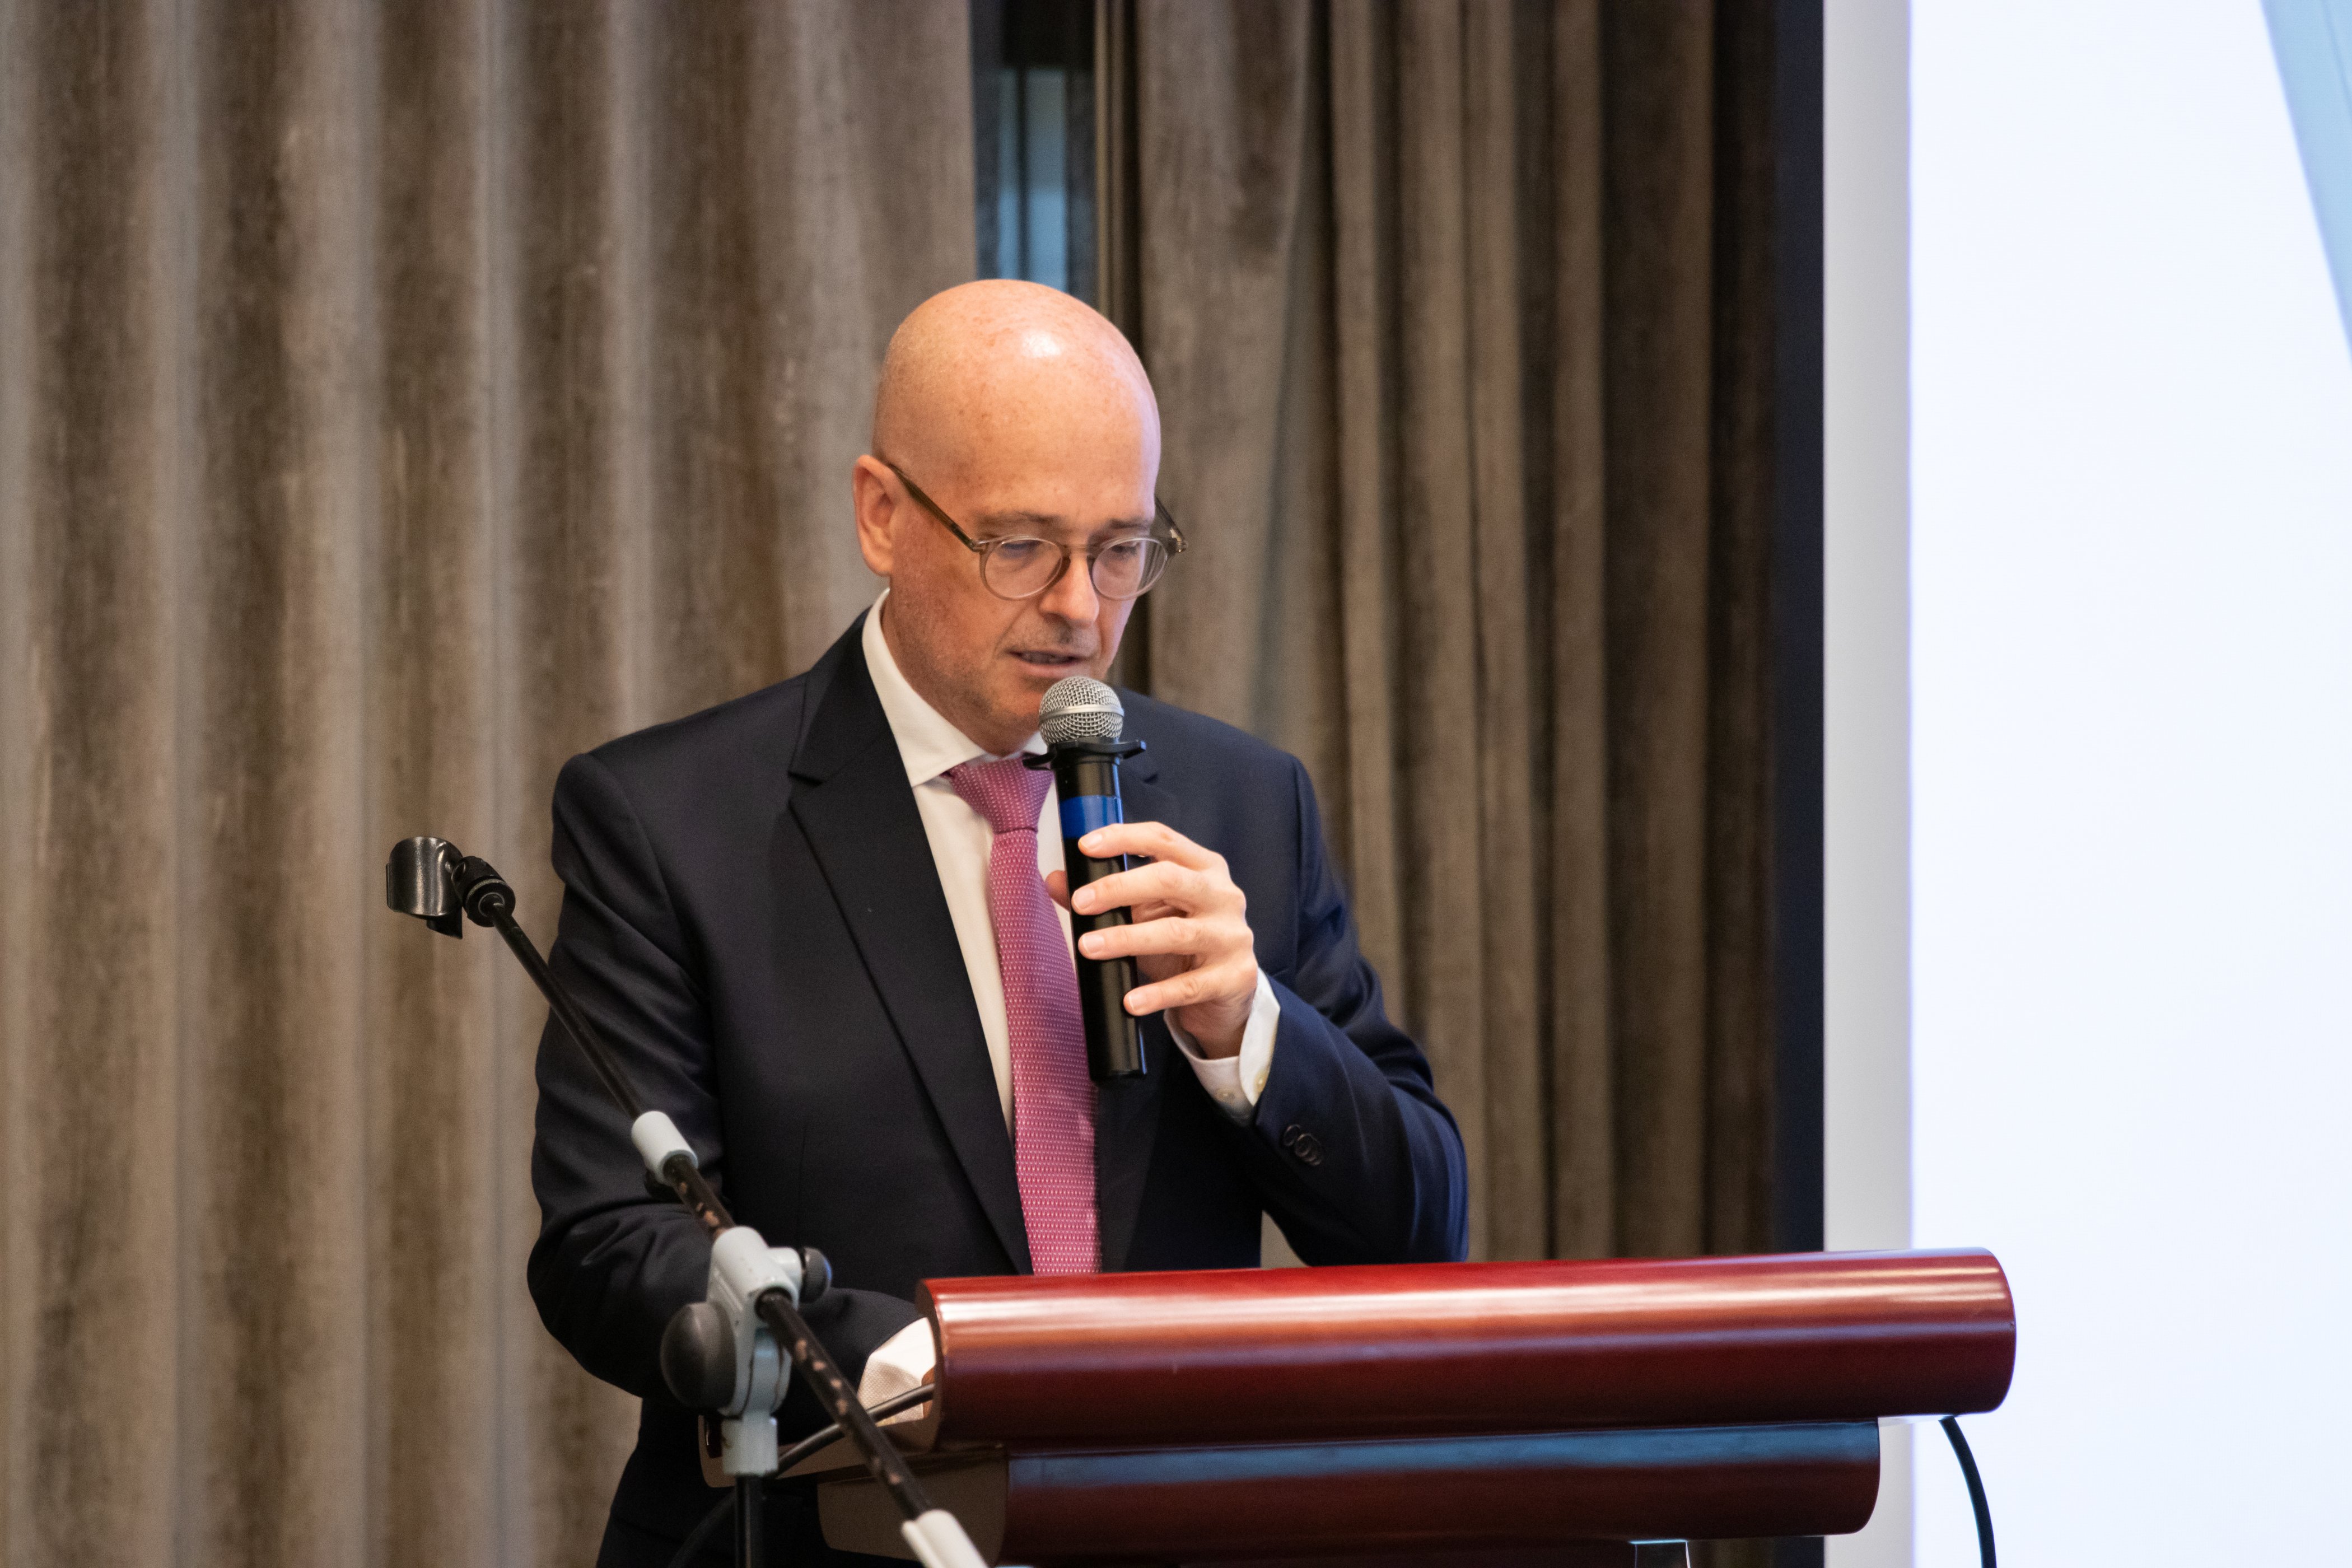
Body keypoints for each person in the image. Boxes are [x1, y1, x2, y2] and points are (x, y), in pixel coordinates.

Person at [528, 279, 1468, 1566]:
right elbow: (609, 1245)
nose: (1083, 607)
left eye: (1124, 548)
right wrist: (928, 1364)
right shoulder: (668, 820)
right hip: (826, 1536)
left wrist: (1249, 1033)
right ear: (883, 513)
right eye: (1022, 545)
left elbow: (1422, 1228)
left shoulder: (1246, 800)